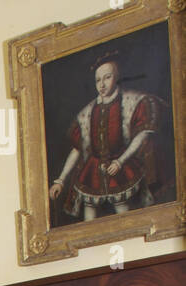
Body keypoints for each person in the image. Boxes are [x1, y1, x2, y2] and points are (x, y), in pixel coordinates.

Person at [49, 54, 164, 222]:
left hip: (121, 166)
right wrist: (60, 180)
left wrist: (120, 161)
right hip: (92, 171)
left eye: (107, 78)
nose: (101, 85)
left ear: (116, 77)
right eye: (97, 80)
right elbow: (77, 148)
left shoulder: (133, 101)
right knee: (90, 218)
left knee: (123, 215)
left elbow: (143, 134)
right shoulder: (87, 113)